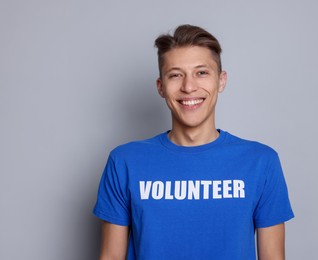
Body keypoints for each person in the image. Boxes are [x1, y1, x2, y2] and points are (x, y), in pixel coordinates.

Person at [93, 24, 294, 260]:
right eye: (176, 75)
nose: (189, 87)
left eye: (201, 73)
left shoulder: (261, 162)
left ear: (221, 80)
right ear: (161, 87)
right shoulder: (125, 162)